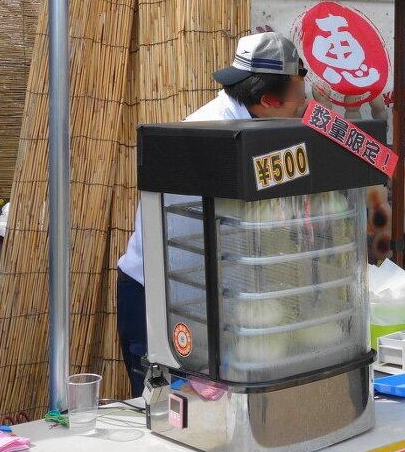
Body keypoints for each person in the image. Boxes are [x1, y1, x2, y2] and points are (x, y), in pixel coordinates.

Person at [114, 33, 307, 397]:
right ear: (268, 100)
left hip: (207, 296)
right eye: (299, 96)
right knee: (169, 408)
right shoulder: (213, 135)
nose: (303, 106)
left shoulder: (252, 124)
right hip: (159, 297)